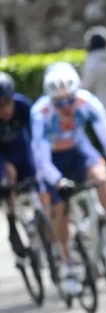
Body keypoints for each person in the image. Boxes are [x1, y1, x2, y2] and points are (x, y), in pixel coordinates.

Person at [31, 62, 106, 296]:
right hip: (53, 161)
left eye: (70, 100)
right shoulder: (41, 114)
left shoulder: (87, 102)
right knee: (60, 208)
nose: (66, 106)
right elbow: (41, 159)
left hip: (78, 150)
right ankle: (66, 262)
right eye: (60, 102)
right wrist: (58, 182)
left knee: (101, 176)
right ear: (51, 100)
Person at [0, 72, 44, 265]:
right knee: (9, 177)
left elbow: (38, 136)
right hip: (3, 158)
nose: (6, 110)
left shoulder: (24, 106)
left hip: (22, 150)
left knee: (37, 179)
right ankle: (12, 224)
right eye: (0, 106)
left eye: (8, 103)